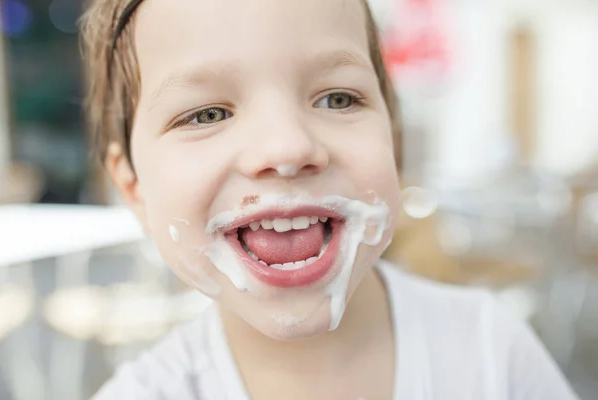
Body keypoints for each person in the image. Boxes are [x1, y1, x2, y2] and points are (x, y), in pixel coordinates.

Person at [81, 0, 579, 399]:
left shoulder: (490, 351)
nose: (288, 148)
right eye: (207, 114)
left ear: (394, 143)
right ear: (135, 189)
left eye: (337, 98)